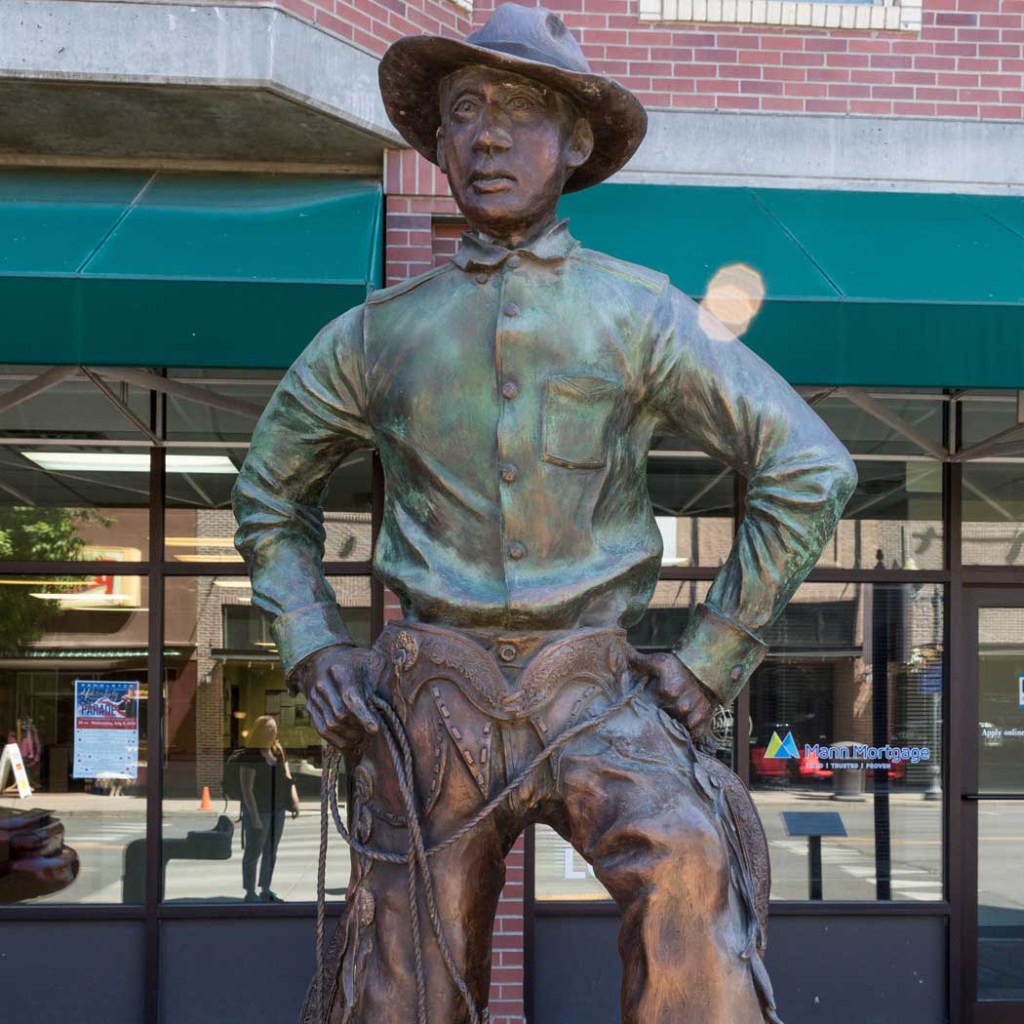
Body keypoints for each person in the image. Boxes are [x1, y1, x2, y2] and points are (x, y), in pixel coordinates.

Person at [233, 5, 857, 1021]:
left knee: (689, 871)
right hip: (431, 696)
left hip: (593, 691)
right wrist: (312, 643)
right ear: (434, 143)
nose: (485, 136)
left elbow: (807, 466)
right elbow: (269, 489)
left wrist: (709, 660)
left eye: (518, 111)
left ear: (573, 141)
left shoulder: (639, 314)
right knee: (405, 968)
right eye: (463, 111)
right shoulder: (376, 336)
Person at [238, 715, 300, 904]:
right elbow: (246, 789)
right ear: (260, 731)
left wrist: (295, 801)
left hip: (278, 809)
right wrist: (255, 817)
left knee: (271, 851)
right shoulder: (250, 754)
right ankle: (250, 892)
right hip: (259, 811)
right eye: (269, 728)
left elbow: (288, 777)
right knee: (253, 851)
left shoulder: (278, 751)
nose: (273, 732)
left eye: (275, 728)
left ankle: (265, 889)